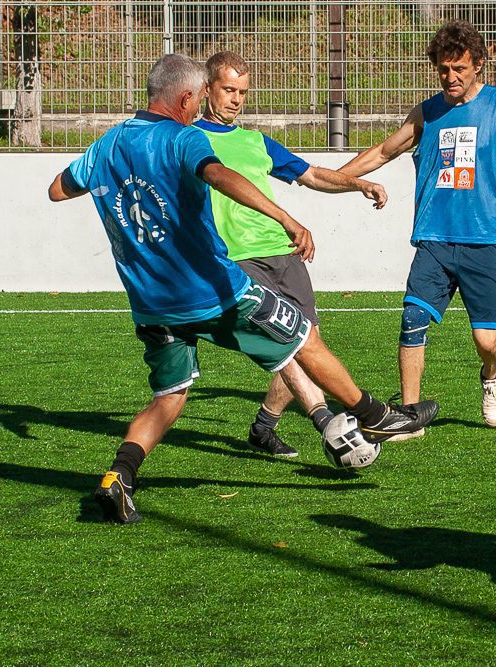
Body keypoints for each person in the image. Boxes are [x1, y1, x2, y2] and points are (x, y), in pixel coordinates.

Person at [47, 54, 437, 524]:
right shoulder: (184, 137)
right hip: (213, 291)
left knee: (169, 395)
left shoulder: (107, 145)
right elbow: (217, 174)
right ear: (190, 97)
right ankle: (372, 413)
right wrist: (285, 216)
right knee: (304, 335)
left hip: (151, 303)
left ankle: (119, 477)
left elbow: (58, 190)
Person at [339, 20, 496, 431]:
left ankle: (491, 374)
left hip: (486, 241)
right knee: (412, 320)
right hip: (435, 241)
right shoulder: (426, 112)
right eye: (443, 69)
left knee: (486, 342)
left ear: (478, 64)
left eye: (459, 68)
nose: (451, 77)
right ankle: (409, 416)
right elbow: (385, 150)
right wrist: (338, 178)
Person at [196, 51, 407, 457]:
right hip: (237, 257)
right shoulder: (189, 140)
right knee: (287, 340)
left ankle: (264, 427)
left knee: (308, 340)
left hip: (285, 252)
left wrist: (356, 184)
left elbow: (310, 174)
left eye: (242, 92)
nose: (236, 100)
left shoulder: (255, 141)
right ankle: (328, 422)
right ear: (207, 90)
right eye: (228, 90)